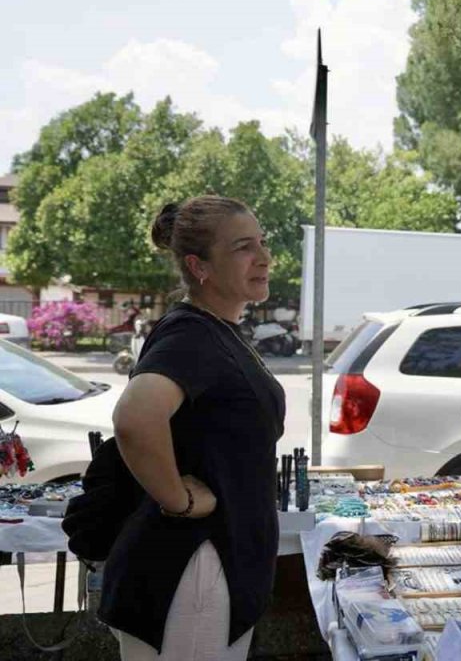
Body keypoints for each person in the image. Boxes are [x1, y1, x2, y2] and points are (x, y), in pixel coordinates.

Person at [103, 196, 285, 660]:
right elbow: (135, 417)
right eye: (244, 247)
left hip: (212, 569)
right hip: (192, 571)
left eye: (262, 242)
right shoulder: (192, 335)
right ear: (198, 266)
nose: (263, 258)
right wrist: (179, 500)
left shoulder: (216, 330)